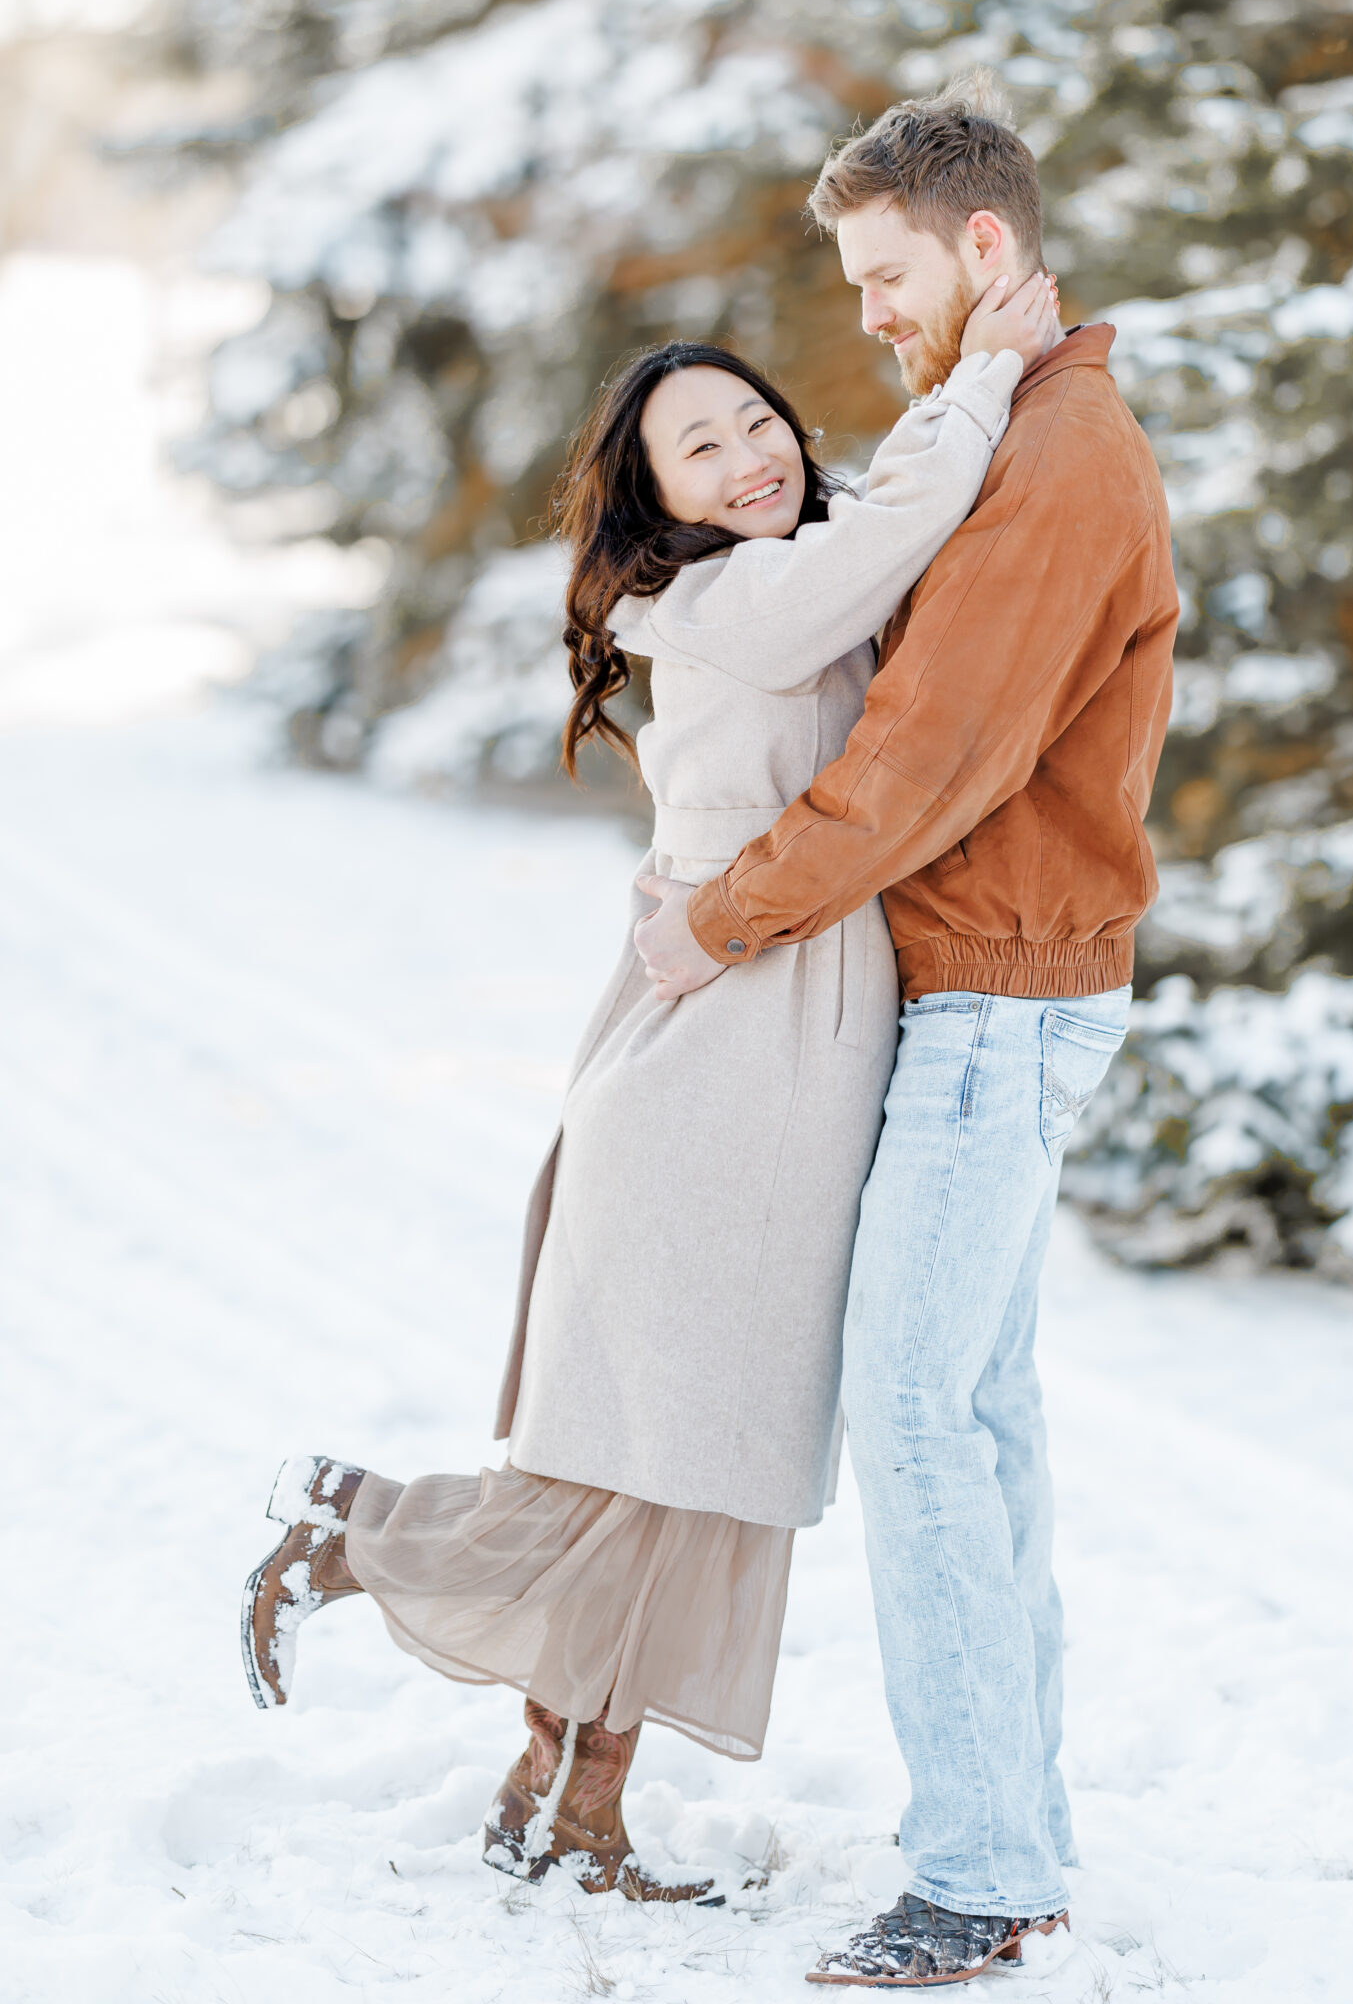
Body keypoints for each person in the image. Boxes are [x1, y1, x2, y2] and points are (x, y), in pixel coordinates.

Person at [238, 271, 1061, 1902]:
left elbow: (882, 556)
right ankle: (359, 1533)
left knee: (680, 1455)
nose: (751, 456)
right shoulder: (731, 604)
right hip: (737, 1047)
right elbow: (894, 533)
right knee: (684, 1456)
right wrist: (988, 372)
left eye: (757, 420)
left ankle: (565, 1803)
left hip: (753, 1030)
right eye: (702, 448)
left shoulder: (768, 584)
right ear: (654, 499)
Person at [634, 75, 1179, 1988]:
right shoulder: (1017, 428)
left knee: (919, 1422)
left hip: (999, 1003)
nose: (864, 318)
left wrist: (723, 915)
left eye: (883, 277)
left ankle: (978, 1874)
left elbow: (922, 757)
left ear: (984, 248)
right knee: (979, 1414)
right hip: (993, 988)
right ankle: (1010, 1829)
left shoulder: (1065, 455)